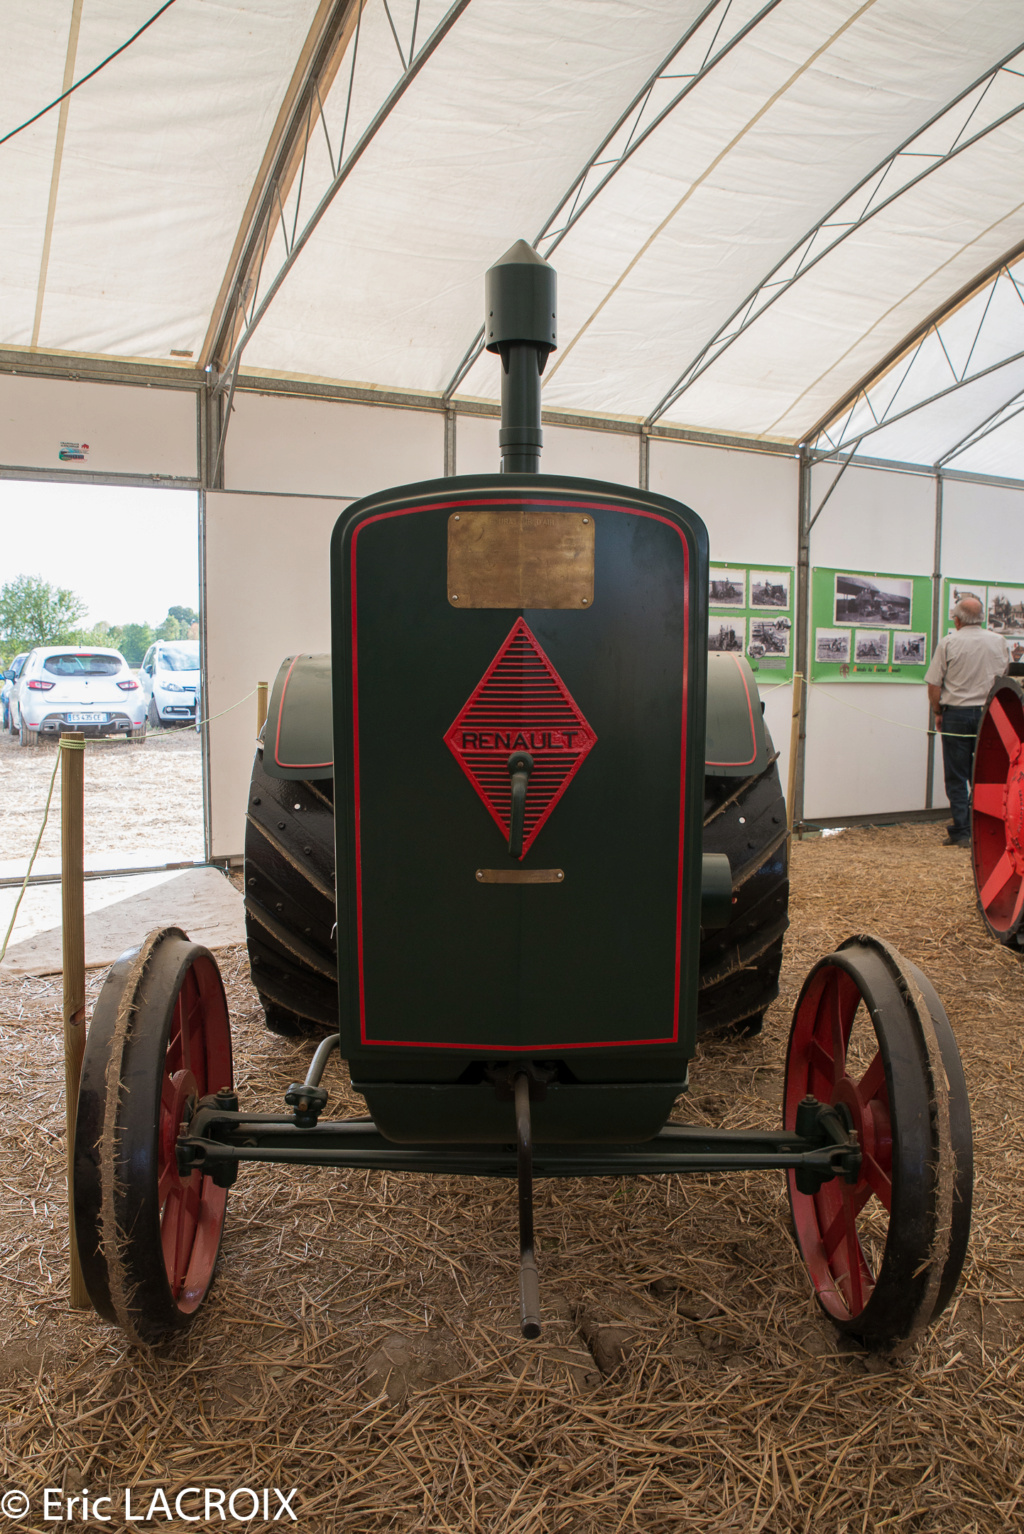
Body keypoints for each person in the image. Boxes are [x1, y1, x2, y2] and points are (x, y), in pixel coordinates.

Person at [925, 597, 1008, 846]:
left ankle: (962, 831)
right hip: (990, 714)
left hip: (957, 715)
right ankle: (987, 830)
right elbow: (1005, 677)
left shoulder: (949, 642)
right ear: (982, 617)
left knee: (956, 775)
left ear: (957, 620)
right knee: (986, 774)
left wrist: (938, 712)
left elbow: (934, 684)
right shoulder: (999, 641)